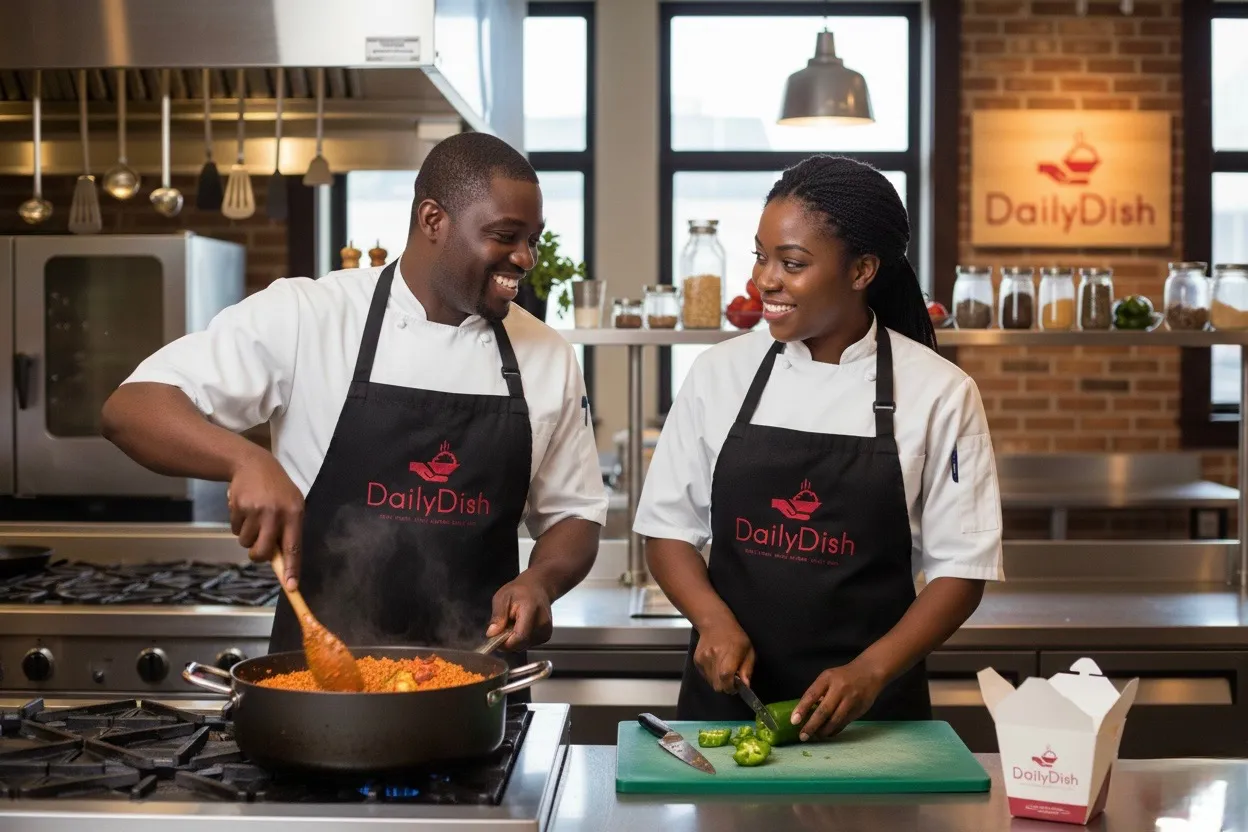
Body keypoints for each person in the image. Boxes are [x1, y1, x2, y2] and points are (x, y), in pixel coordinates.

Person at [102, 132, 606, 665]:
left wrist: (541, 581)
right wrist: (244, 459)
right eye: (505, 235)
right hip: (319, 688)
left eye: (533, 238)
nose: (525, 258)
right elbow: (132, 408)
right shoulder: (310, 315)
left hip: (477, 687)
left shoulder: (546, 354)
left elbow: (574, 514)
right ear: (433, 220)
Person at [634, 156, 1003, 740]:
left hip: (872, 718)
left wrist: (871, 671)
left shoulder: (939, 392)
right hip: (731, 708)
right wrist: (711, 621)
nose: (765, 280)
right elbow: (667, 530)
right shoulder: (719, 373)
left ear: (861, 271)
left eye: (793, 262)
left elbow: (962, 570)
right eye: (761, 256)